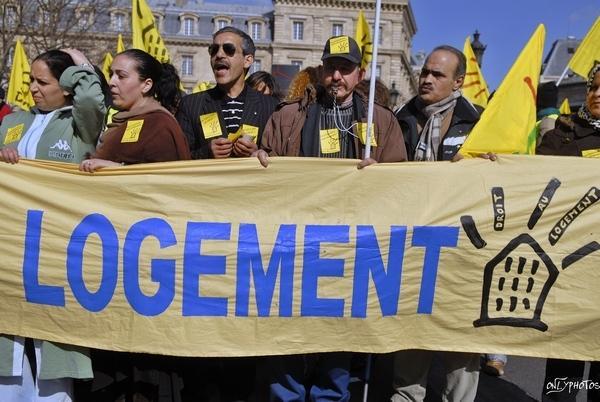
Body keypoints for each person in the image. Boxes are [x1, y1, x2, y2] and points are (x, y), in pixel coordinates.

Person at [257, 35, 407, 401]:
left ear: (360, 74)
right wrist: (260, 161)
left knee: (337, 351)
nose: (336, 76)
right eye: (331, 68)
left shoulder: (382, 121)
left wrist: (383, 174)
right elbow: (262, 173)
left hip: (351, 254)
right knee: (286, 344)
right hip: (295, 248)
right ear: (321, 70)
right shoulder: (288, 116)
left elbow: (403, 183)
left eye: (346, 69)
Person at [0, 48, 106, 401]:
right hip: (11, 246)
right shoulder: (11, 122)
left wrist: (81, 66)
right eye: (31, 80)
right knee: (7, 341)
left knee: (54, 345)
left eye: (43, 82)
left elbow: (93, 97)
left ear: (65, 86)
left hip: (57, 249)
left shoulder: (80, 124)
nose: (33, 88)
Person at [392, 45, 481, 402]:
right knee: (411, 338)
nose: (426, 79)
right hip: (413, 249)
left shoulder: (479, 122)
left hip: (462, 253)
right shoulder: (401, 117)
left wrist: (488, 163)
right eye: (424, 71)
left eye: (438, 74)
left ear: (458, 81)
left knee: (462, 346)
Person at [537, 63, 600, 402]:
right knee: (565, 372)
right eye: (594, 87)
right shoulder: (561, 134)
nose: (597, 94)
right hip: (573, 267)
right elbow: (535, 186)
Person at [80, 49, 190, 172]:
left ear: (146, 85)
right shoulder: (127, 119)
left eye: (121, 76)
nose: (111, 82)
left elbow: (164, 177)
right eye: (111, 75)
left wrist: (117, 168)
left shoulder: (159, 124)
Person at [176, 26, 278, 159]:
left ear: (247, 60)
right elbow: (177, 158)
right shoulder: (191, 104)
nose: (219, 55)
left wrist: (258, 152)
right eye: (213, 50)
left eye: (228, 49)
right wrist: (206, 153)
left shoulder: (271, 106)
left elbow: (281, 159)